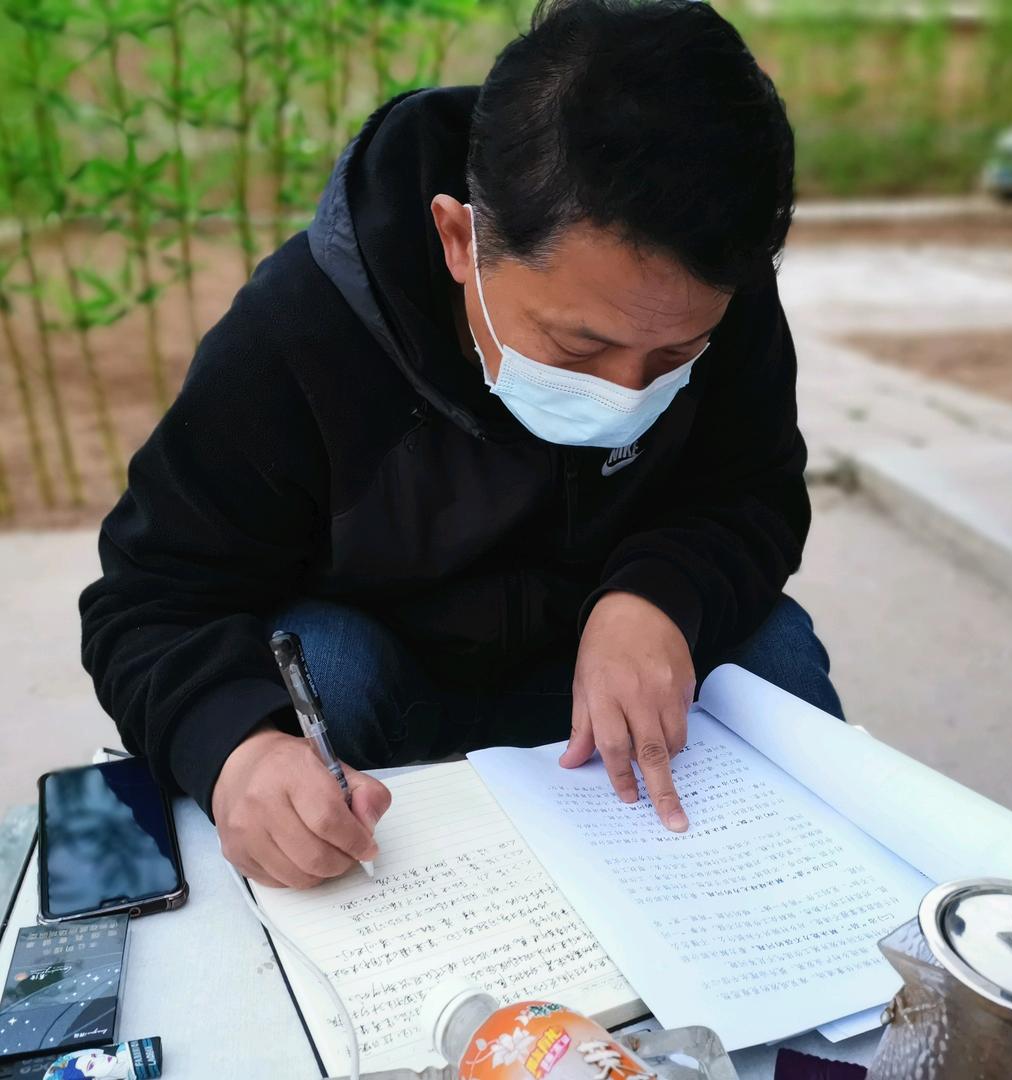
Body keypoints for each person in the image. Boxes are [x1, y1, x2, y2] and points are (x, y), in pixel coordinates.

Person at [79, 0, 844, 891]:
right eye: (580, 347)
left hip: (613, 690)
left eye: (675, 357)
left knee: (772, 653)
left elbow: (755, 492)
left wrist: (657, 596)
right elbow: (151, 597)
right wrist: (235, 748)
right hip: (397, 691)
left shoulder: (709, 290)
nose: (628, 391)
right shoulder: (295, 337)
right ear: (457, 239)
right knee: (319, 666)